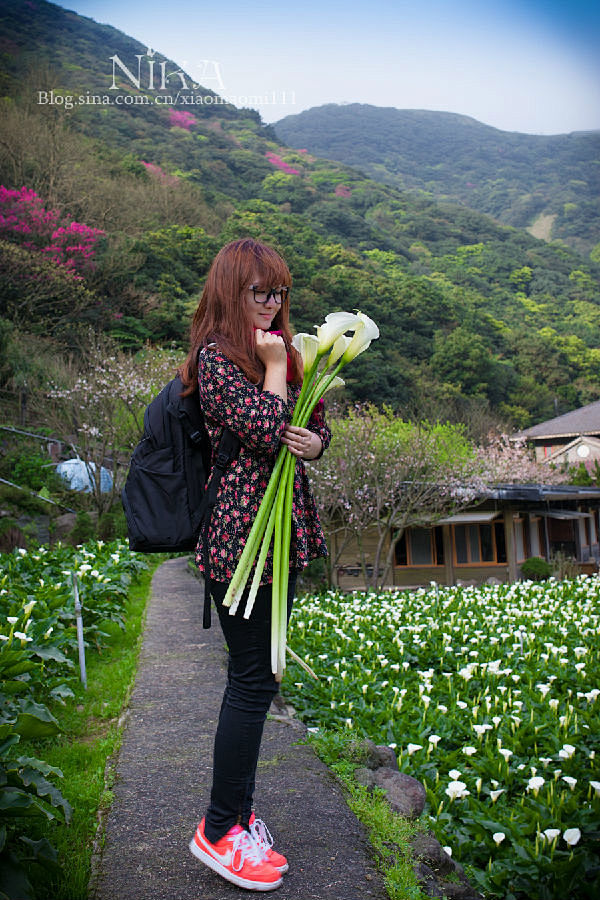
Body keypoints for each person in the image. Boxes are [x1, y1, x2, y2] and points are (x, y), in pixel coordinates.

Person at [179, 238, 331, 891]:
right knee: (251, 681)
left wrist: (317, 442)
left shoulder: (291, 356)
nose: (271, 305)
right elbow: (265, 428)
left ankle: (237, 817)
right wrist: (274, 367)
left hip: (281, 535)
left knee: (260, 678)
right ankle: (218, 831)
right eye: (259, 292)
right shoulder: (216, 359)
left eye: (279, 294)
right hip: (239, 541)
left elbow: (310, 424)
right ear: (230, 291)